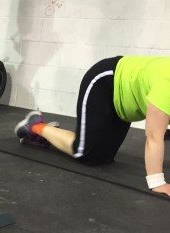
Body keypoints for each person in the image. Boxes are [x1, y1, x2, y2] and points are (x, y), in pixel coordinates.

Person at [13, 56, 170, 197]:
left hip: (124, 100)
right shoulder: (166, 86)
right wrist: (157, 183)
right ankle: (36, 126)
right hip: (104, 82)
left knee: (104, 158)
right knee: (86, 153)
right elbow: (154, 136)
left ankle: (52, 135)